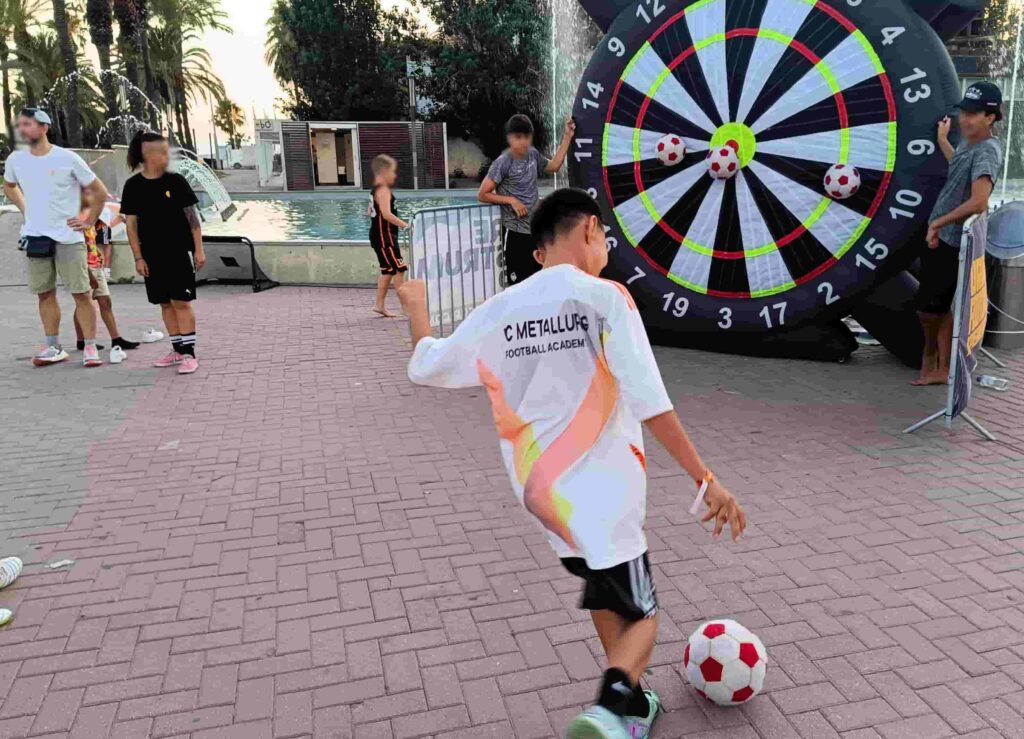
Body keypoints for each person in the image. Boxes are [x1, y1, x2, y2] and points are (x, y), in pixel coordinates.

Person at [397, 189, 746, 739]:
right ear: (589, 230)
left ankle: (632, 708)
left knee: (606, 589)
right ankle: (609, 710)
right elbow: (651, 402)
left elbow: (427, 367)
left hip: (544, 498)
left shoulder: (499, 310)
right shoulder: (605, 298)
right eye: (603, 236)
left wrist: (416, 309)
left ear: (538, 252)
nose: (604, 247)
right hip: (604, 491)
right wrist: (707, 479)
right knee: (644, 617)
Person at [3, 108, 109, 368]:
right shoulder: (16, 159)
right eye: (20, 125)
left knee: (82, 293)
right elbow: (8, 185)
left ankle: (91, 348)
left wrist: (87, 222)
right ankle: (53, 346)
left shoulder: (67, 158)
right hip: (36, 237)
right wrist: (24, 207)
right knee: (44, 294)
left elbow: (99, 190)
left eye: (27, 124)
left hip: (68, 238)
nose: (22, 129)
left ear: (44, 127)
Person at [914, 81, 1004, 386]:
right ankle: (940, 365)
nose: (965, 119)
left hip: (951, 240)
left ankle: (934, 360)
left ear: (991, 117)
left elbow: (979, 200)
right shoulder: (970, 143)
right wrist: (943, 140)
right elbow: (959, 169)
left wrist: (939, 224)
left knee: (931, 308)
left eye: (974, 113)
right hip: (941, 236)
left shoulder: (988, 151)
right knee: (937, 306)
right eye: (964, 112)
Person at [120, 131, 206, 376]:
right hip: (151, 255)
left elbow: (193, 219)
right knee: (165, 304)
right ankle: (177, 350)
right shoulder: (133, 186)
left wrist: (199, 250)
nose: (165, 156)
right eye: (159, 151)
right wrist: (138, 257)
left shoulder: (176, 181)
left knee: (181, 301)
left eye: (166, 151)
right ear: (145, 155)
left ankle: (189, 353)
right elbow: (131, 225)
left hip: (178, 252)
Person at [479, 114, 576, 287]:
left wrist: (567, 136)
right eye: (518, 137)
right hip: (516, 236)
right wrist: (511, 200)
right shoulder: (503, 162)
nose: (523, 141)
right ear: (509, 138)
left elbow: (554, 166)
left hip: (535, 232)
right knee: (519, 288)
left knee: (540, 285)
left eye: (526, 137)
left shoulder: (533, 154)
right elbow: (483, 194)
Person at [72, 200, 140, 361]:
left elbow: (95, 241)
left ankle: (116, 338)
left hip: (95, 264)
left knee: (105, 302)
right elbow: (76, 249)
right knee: (83, 302)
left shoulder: (96, 218)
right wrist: (89, 273)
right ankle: (82, 340)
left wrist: (98, 256)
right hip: (84, 267)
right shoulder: (75, 219)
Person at [367, 154, 409, 317]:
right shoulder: (383, 190)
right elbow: (386, 214)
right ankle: (405, 308)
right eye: (392, 172)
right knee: (399, 269)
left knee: (388, 270)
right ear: (384, 171)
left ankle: (379, 305)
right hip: (385, 238)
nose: (394, 175)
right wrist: (406, 226)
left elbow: (373, 213)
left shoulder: (375, 189)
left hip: (380, 236)